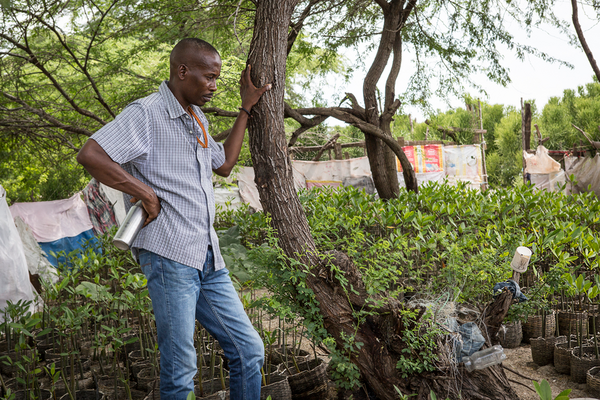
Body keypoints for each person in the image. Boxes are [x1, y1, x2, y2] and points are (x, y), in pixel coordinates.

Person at [77, 38, 271, 400]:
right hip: (169, 258)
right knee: (180, 370)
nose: (214, 86)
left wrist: (245, 109)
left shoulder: (196, 118)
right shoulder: (146, 113)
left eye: (217, 78)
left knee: (249, 351)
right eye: (209, 77)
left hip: (208, 257)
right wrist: (146, 192)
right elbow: (90, 154)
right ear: (183, 71)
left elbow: (224, 165)